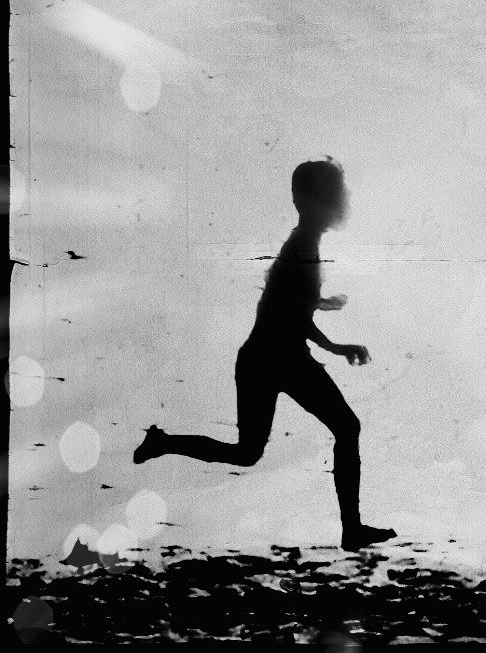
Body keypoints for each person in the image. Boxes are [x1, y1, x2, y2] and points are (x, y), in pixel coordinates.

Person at [133, 158, 395, 550]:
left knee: (253, 451)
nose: (338, 201)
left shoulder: (304, 246)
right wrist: (337, 347)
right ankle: (352, 530)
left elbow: (288, 305)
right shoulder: (301, 248)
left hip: (267, 359)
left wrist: (322, 305)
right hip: (278, 359)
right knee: (330, 432)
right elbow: (290, 316)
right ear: (313, 200)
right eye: (331, 193)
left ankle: (163, 443)